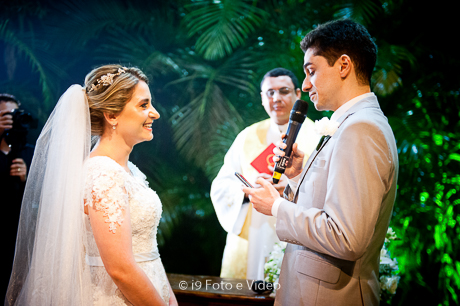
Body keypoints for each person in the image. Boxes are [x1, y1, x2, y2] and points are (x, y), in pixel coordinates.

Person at [243, 20, 399, 305]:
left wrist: (277, 207)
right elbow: (334, 201)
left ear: (343, 65)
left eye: (311, 71)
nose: (305, 85)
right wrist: (296, 177)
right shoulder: (352, 123)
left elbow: (346, 236)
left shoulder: (361, 129)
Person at [6, 65, 178, 305]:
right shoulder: (102, 175)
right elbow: (121, 269)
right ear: (112, 115)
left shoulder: (129, 172)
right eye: (143, 105)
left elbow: (149, 252)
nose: (155, 113)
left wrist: (168, 296)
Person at [211, 68, 320, 280]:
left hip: (297, 233)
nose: (276, 98)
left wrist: (291, 187)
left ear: (298, 94)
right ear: (262, 98)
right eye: (269, 93)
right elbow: (221, 186)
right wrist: (249, 190)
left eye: (283, 91)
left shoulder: (317, 137)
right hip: (254, 231)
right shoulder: (247, 137)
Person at [0, 94, 35, 301]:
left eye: (14, 115)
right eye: (4, 116)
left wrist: (26, 179)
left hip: (21, 240)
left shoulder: (31, 154)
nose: (10, 120)